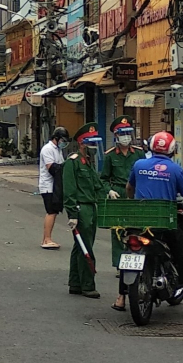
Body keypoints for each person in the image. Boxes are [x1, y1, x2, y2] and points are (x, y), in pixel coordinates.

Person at [111, 131, 183, 318]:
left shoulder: (139, 164)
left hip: (139, 221)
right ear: (172, 150)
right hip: (163, 224)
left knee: (129, 255)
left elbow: (129, 188)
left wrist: (135, 202)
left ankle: (120, 298)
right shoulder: (175, 170)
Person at [64, 123, 105, 299]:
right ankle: (88, 285)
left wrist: (107, 192)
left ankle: (75, 283)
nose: (95, 147)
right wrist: (72, 214)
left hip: (90, 206)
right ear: (82, 143)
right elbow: (69, 190)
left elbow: (96, 184)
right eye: (91, 143)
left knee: (78, 247)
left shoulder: (87, 162)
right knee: (85, 246)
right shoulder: (72, 162)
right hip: (82, 209)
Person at [101, 115, 144, 269]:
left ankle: (137, 261)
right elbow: (103, 179)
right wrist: (110, 190)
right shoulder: (110, 156)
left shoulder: (139, 153)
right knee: (118, 230)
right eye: (122, 134)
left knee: (137, 228)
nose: (126, 137)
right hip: (118, 193)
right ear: (116, 136)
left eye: (128, 133)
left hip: (136, 193)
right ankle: (120, 263)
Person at [39, 127, 69, 250]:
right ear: (56, 138)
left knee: (54, 211)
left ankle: (48, 238)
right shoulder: (47, 149)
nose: (64, 143)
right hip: (48, 186)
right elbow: (52, 168)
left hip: (54, 186)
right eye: (62, 140)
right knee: (51, 211)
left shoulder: (58, 150)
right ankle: (46, 239)